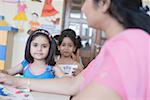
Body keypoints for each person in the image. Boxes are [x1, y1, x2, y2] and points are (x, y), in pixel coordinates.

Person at [0, 0, 150, 100]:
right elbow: (72, 85)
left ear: (104, 3)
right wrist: (16, 81)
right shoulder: (115, 46)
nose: (83, 7)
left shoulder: (130, 45)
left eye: (86, 0)